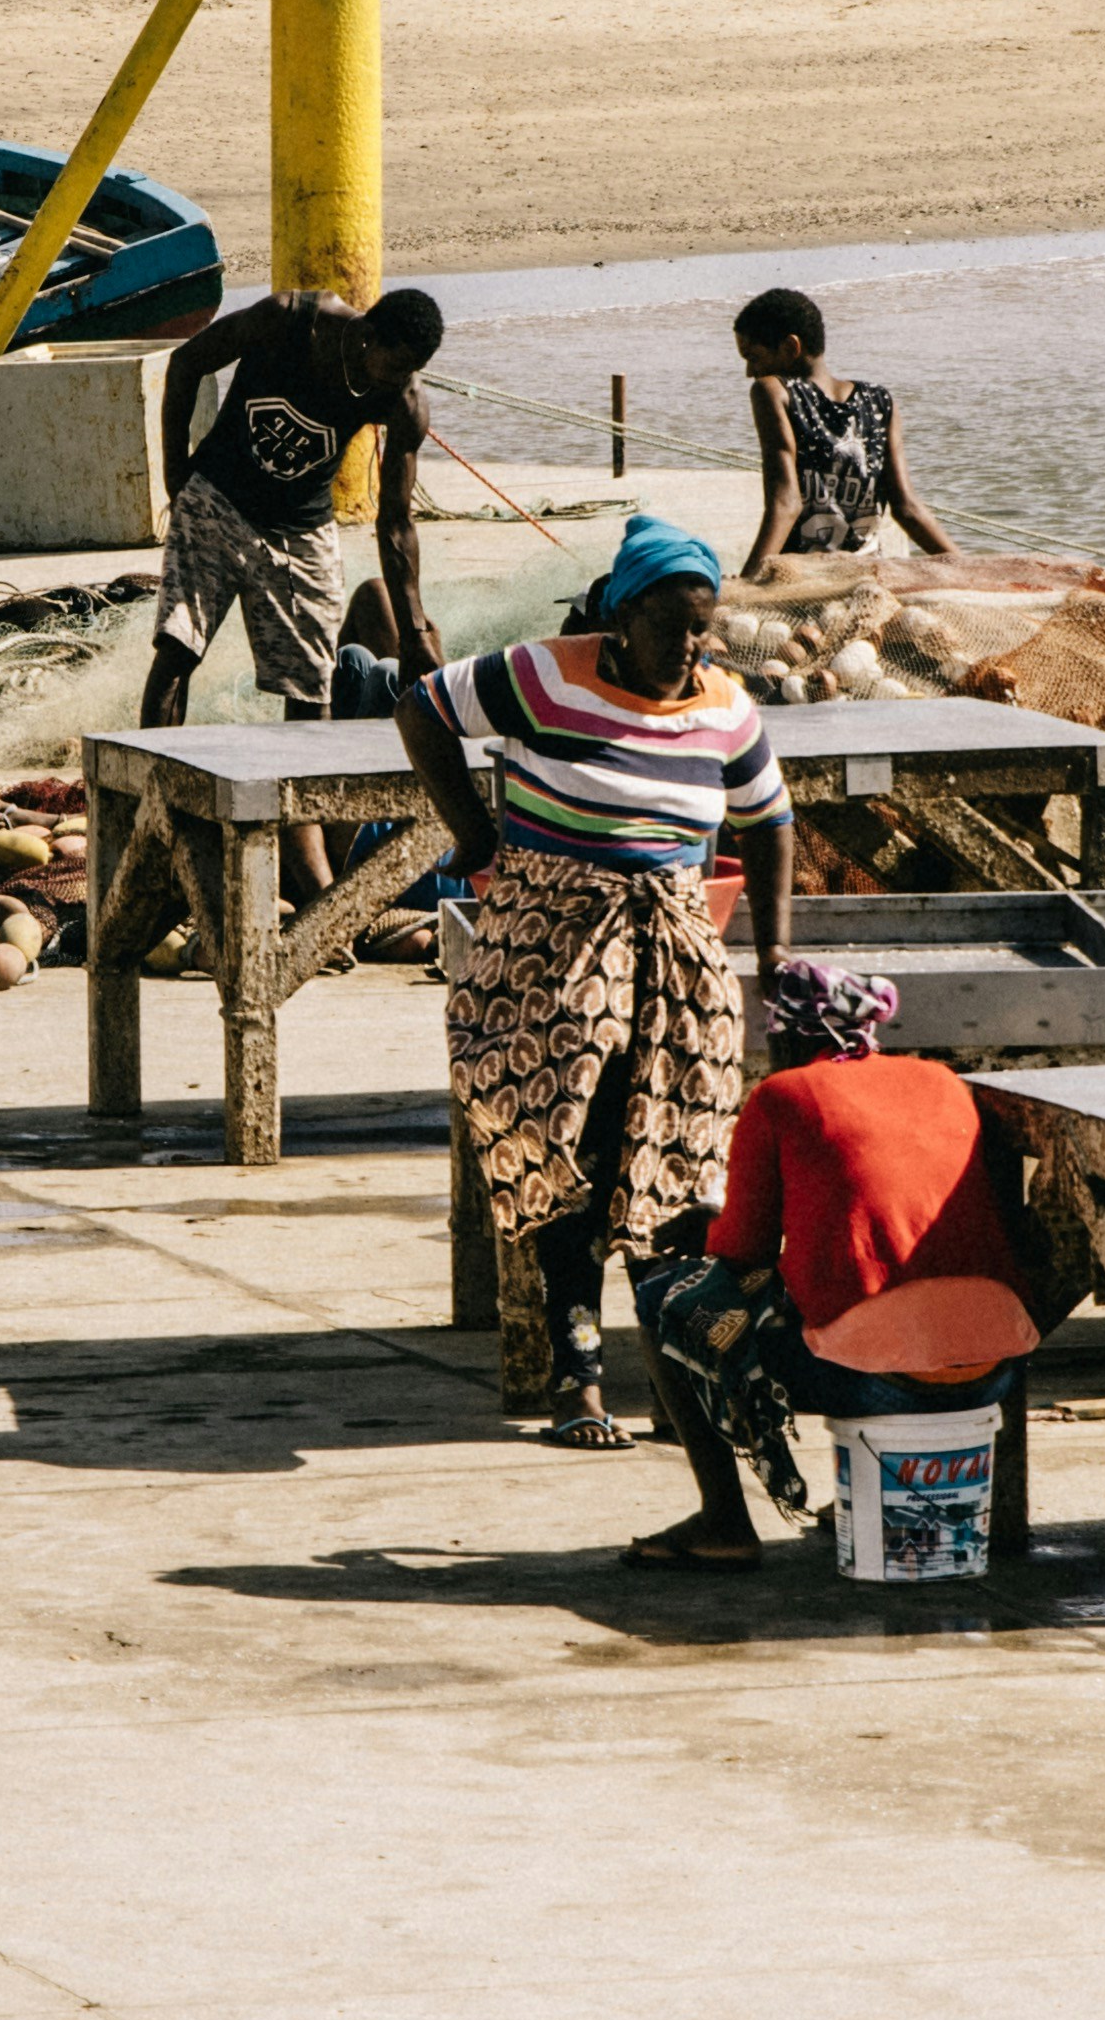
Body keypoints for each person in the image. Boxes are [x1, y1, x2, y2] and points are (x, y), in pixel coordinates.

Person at [400, 513, 792, 1448]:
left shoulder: (726, 709)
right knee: (566, 1134)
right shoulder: (543, 675)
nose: (689, 645)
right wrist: (473, 835)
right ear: (620, 618)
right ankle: (578, 1374)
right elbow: (421, 705)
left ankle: (673, 1381)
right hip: (550, 939)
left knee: (675, 1155)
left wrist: (775, 957)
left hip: (671, 944)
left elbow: (769, 822)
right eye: (671, 625)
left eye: (704, 627)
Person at [624, 960, 1041, 1567]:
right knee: (866, 1309)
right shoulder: (943, 1081)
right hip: (994, 1369)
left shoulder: (782, 1096)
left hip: (873, 1381)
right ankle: (876, 1493)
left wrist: (704, 1227)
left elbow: (741, 1252)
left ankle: (724, 1522)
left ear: (790, 1037)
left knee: (665, 1297)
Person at [143, 287, 446, 895]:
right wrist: (177, 475)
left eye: (410, 372)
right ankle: (157, 822)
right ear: (367, 337)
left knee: (313, 686)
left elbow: (395, 522)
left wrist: (414, 630)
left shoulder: (403, 402)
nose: (399, 381)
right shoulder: (290, 321)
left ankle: (305, 865)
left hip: (302, 527)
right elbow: (186, 363)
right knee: (178, 649)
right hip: (218, 499)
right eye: (393, 365)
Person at [736, 290, 955, 574]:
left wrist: (749, 581)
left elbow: (786, 502)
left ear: (791, 347)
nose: (749, 371)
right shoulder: (879, 399)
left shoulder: (773, 391)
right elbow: (908, 509)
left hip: (802, 576)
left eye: (753, 357)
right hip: (868, 575)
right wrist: (963, 565)